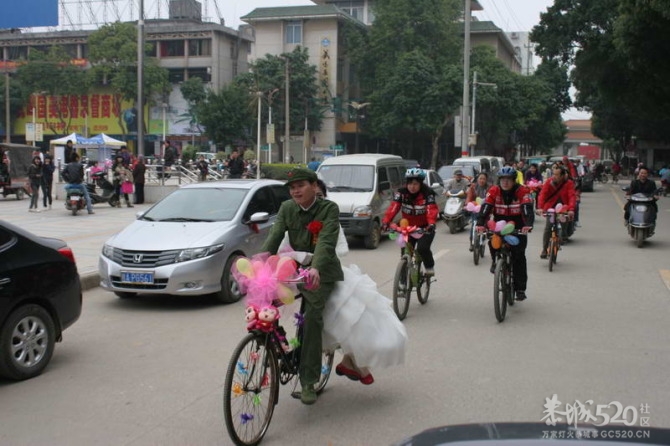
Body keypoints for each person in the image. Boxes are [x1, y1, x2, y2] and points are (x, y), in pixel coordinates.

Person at [278, 179, 406, 390]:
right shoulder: (292, 217)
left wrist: (312, 261)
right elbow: (281, 248)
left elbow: (339, 250)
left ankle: (347, 363)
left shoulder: (330, 221)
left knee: (344, 319)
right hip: (294, 276)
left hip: (324, 276)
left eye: (320, 196)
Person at [261, 167, 343, 405]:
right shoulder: (287, 208)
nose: (295, 191)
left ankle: (308, 380)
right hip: (294, 268)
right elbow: (274, 237)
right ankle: (279, 345)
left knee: (311, 318)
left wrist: (316, 267)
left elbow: (327, 241)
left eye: (300, 186)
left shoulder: (328, 209)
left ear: (314, 186)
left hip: (322, 271)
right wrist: (260, 263)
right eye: (292, 187)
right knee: (265, 302)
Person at [476, 166, 534, 301]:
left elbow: (527, 209)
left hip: (518, 226)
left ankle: (520, 289)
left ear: (514, 181)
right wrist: (480, 223)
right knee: (492, 241)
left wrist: (528, 225)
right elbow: (485, 208)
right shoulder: (493, 191)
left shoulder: (522, 191)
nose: (505, 182)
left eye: (508, 180)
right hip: (499, 224)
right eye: (502, 179)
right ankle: (495, 260)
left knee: (519, 256)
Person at [381, 168, 439, 276]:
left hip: (425, 228)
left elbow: (431, 210)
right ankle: (403, 280)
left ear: (420, 184)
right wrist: (386, 222)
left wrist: (431, 224)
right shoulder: (401, 194)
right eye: (410, 184)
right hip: (408, 229)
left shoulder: (428, 194)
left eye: (415, 184)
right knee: (405, 252)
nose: (412, 187)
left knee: (422, 248)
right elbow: (393, 208)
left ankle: (429, 266)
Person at [536, 165, 577, 259]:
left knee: (564, 222)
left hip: (564, 207)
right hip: (550, 208)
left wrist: (571, 209)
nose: (554, 176)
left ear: (563, 175)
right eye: (553, 174)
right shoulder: (549, 182)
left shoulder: (569, 183)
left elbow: (571, 196)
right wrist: (540, 207)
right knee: (548, 228)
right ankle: (544, 249)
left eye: (557, 175)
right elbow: (542, 195)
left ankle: (562, 236)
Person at [466, 172, 490, 251]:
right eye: (480, 178)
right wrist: (467, 204)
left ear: (486, 180)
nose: (482, 180)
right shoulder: (473, 187)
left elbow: (491, 199)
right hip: (475, 209)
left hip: (485, 209)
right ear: (477, 179)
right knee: (474, 225)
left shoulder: (489, 188)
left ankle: (483, 239)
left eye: (484, 179)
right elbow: (469, 197)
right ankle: (471, 242)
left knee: (485, 225)